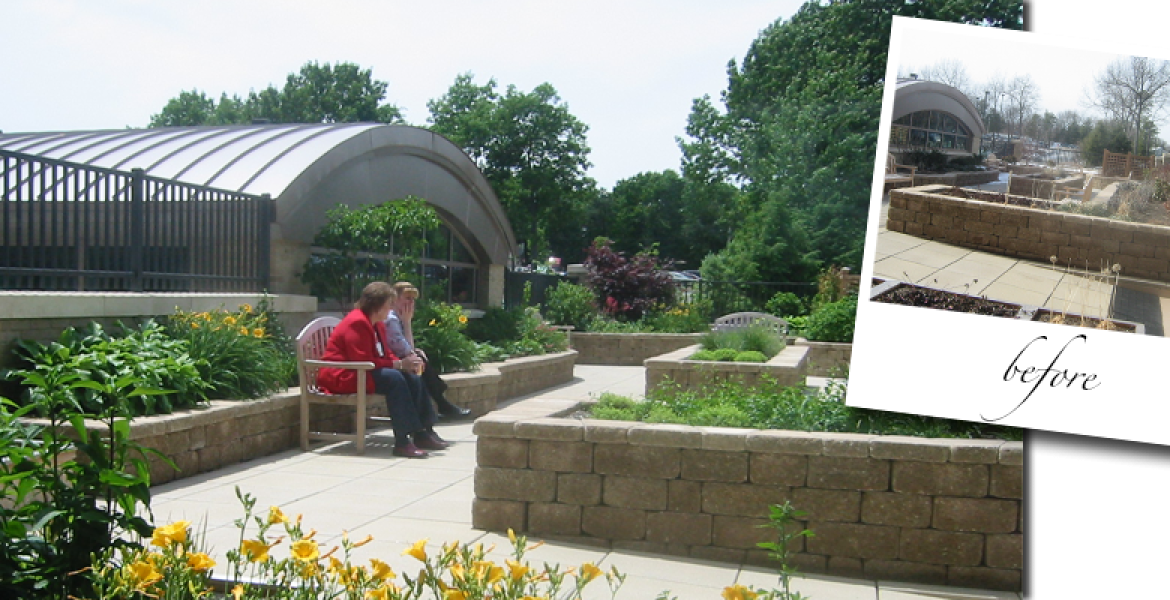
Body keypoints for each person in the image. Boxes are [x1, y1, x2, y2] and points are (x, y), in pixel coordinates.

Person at [316, 282, 448, 458]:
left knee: (412, 376)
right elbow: (362, 360)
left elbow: (386, 354)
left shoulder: (377, 324)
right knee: (394, 379)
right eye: (389, 304)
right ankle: (402, 441)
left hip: (363, 372)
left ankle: (423, 432)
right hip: (345, 374)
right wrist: (398, 365)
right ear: (377, 305)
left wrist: (406, 362)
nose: (391, 309)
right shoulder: (357, 322)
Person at [383, 281, 472, 418]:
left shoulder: (396, 317)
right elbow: (406, 351)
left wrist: (414, 350)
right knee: (418, 362)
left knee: (420, 359)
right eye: (407, 298)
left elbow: (407, 349)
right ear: (395, 300)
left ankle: (439, 406)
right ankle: (438, 407)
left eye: (413, 299)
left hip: (396, 360)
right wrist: (407, 323)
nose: (411, 303)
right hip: (390, 363)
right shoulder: (391, 320)